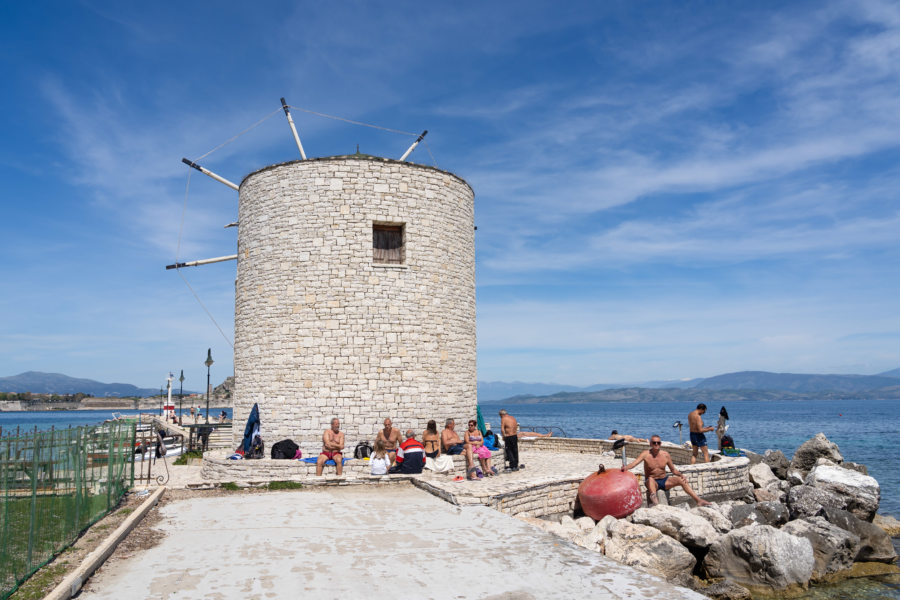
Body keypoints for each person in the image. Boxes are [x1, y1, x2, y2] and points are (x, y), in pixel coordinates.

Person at [621, 434, 711, 507]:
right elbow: (634, 464)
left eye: (658, 443)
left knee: (681, 481)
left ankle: (698, 500)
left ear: (660, 444)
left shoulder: (665, 455)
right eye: (654, 442)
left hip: (664, 480)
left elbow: (673, 470)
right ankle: (655, 503)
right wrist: (625, 468)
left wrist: (680, 475)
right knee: (651, 480)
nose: (656, 444)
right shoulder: (646, 454)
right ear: (650, 444)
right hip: (652, 482)